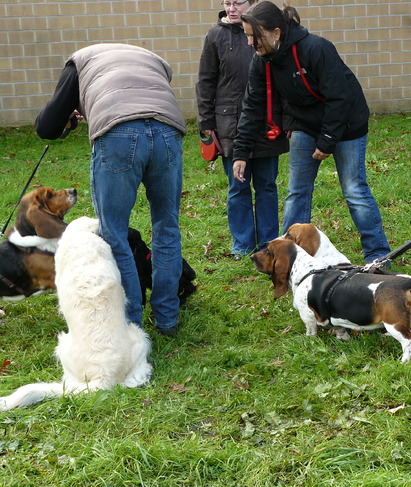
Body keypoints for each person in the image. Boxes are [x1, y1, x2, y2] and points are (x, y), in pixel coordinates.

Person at [35, 43, 186, 337]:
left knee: (114, 233)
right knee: (167, 227)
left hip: (118, 134)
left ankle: (130, 325)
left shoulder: (78, 63)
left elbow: (47, 127)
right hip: (168, 130)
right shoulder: (152, 57)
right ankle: (168, 320)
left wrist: (69, 119)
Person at [232, 1, 390, 264]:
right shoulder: (262, 60)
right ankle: (290, 259)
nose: (250, 43)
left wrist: (327, 140)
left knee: (353, 189)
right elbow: (252, 106)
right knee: (297, 191)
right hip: (304, 124)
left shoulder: (316, 48)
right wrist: (241, 152)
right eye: (247, 35)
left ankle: (378, 254)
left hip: (347, 123)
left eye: (254, 36)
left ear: (276, 33)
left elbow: (340, 97)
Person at [196, 0, 288, 260]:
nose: (231, 8)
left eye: (238, 2)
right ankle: (242, 245)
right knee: (238, 187)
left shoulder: (267, 31)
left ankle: (269, 243)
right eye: (227, 2)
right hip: (229, 124)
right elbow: (205, 81)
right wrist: (207, 123)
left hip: (267, 123)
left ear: (252, 3)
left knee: (267, 185)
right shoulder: (216, 36)